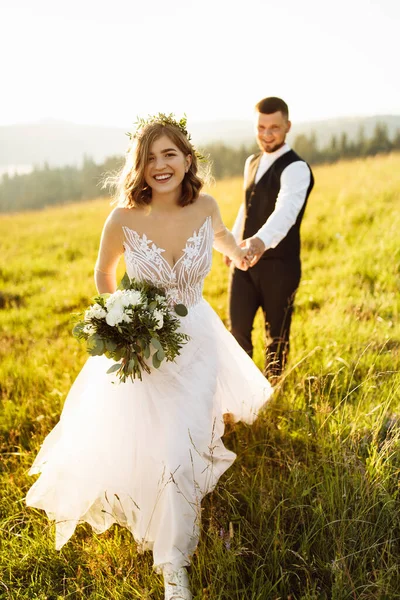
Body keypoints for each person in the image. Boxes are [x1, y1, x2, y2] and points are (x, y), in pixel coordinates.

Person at [25, 114, 273, 600]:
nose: (160, 165)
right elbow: (103, 272)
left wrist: (240, 253)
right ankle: (163, 525)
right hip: (145, 345)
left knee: (182, 448)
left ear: (186, 159)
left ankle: (173, 563)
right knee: (153, 444)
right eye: (150, 157)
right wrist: (122, 319)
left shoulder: (205, 205)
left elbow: (220, 235)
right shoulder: (122, 218)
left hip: (198, 341)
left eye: (170, 154)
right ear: (138, 167)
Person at [226, 97, 314, 381]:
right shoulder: (251, 162)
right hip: (243, 265)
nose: (267, 134)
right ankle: (242, 396)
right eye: (261, 127)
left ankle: (271, 394)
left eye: (274, 127)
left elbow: (286, 210)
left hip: (280, 267)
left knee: (276, 338)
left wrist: (259, 242)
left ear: (287, 126)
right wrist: (233, 242)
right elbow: (246, 205)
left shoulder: (296, 168)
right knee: (237, 331)